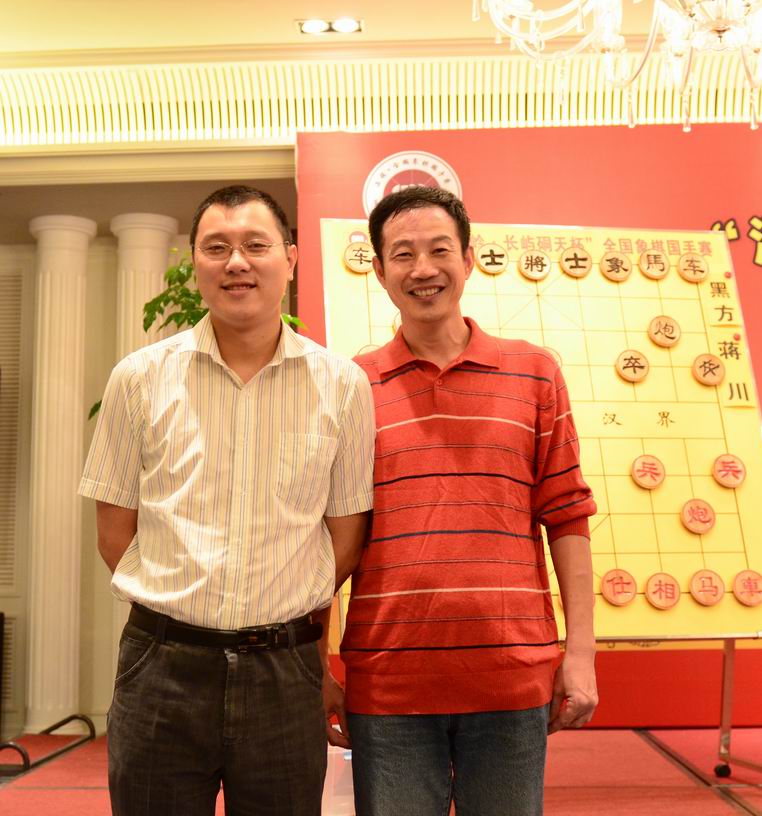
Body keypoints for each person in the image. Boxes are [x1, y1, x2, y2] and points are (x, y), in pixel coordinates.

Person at [80, 185, 374, 815]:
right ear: (195, 263)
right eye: (216, 248)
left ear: (290, 259)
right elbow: (114, 533)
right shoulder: (138, 379)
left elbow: (344, 537)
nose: (236, 262)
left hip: (284, 673)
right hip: (162, 666)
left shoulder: (343, 386)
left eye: (254, 245)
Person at [340, 186, 598, 816]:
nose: (422, 269)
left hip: (512, 672)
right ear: (379, 270)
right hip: (389, 681)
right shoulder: (349, 384)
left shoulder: (535, 373)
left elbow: (567, 513)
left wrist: (582, 653)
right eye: (403, 255)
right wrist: (319, 665)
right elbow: (327, 536)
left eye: (439, 250)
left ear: (469, 258)